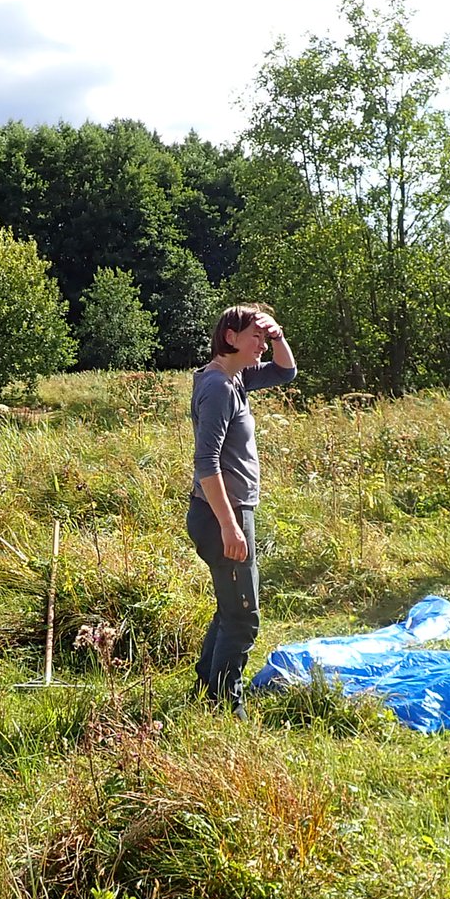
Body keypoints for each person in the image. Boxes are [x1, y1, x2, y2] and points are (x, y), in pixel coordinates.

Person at [186, 303, 297, 713]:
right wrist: (231, 527)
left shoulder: (236, 378)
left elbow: (287, 373)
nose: (263, 347)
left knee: (230, 609)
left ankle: (206, 690)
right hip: (222, 516)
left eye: (265, 340)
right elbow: (206, 464)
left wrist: (279, 335)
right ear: (230, 338)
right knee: (243, 617)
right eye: (256, 338)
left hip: (227, 513)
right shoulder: (218, 386)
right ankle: (225, 708)